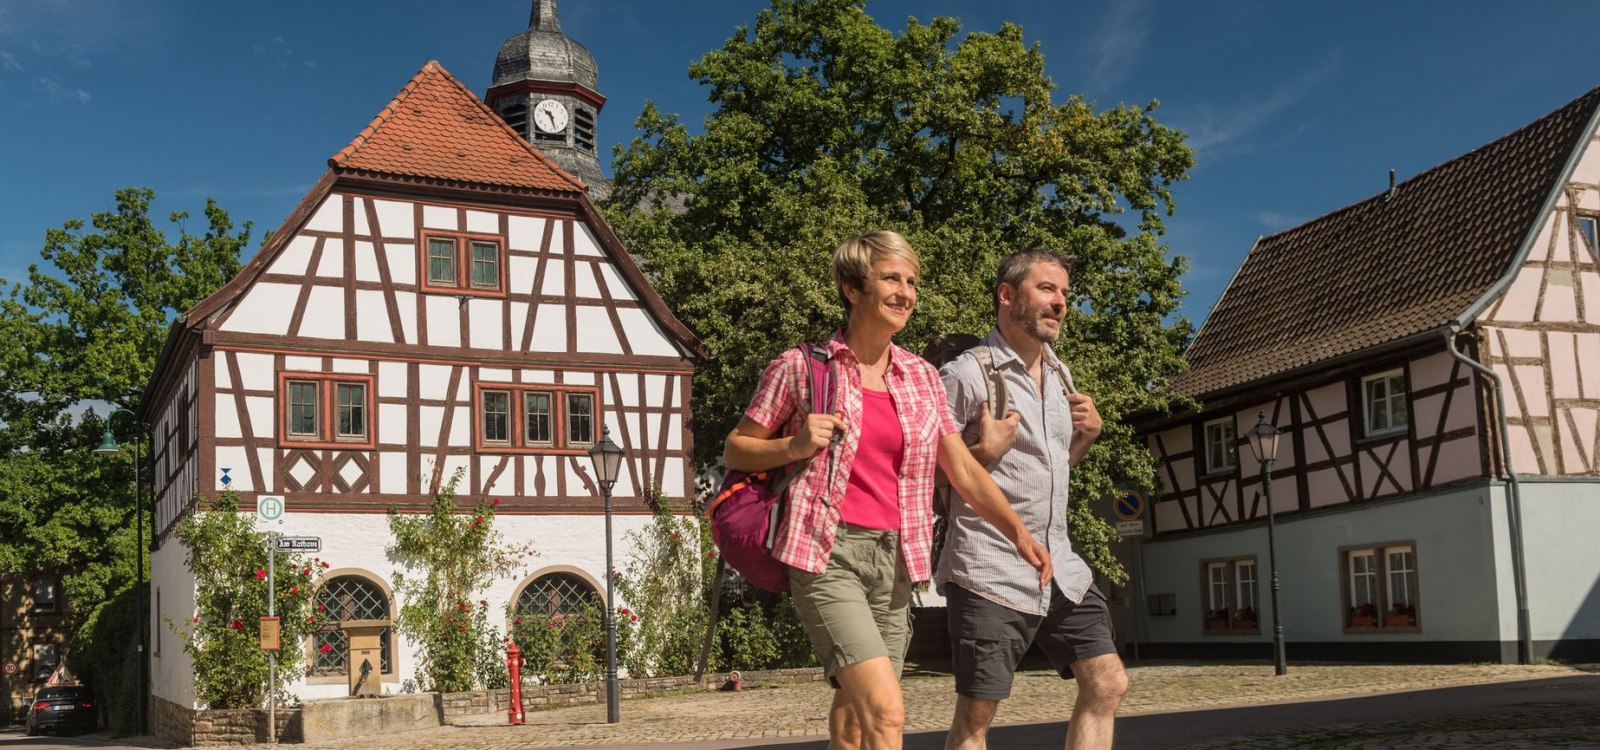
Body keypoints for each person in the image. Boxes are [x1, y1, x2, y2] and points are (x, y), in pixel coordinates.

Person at [724, 231, 1053, 750]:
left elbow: (963, 470)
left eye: (912, 281)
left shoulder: (921, 376)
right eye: (892, 279)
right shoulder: (802, 367)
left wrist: (1019, 532)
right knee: (887, 712)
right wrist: (794, 444)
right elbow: (736, 449)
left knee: (856, 719)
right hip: (826, 554)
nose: (906, 292)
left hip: (897, 561)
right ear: (853, 288)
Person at [936, 249, 1127, 750]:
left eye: (1064, 293)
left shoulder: (1061, 376)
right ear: (1007, 296)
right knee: (977, 719)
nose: (1060, 302)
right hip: (989, 569)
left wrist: (1086, 438)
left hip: (1058, 563)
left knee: (1107, 682)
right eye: (1047, 289)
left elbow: (1049, 472)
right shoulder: (965, 374)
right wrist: (983, 449)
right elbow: (920, 472)